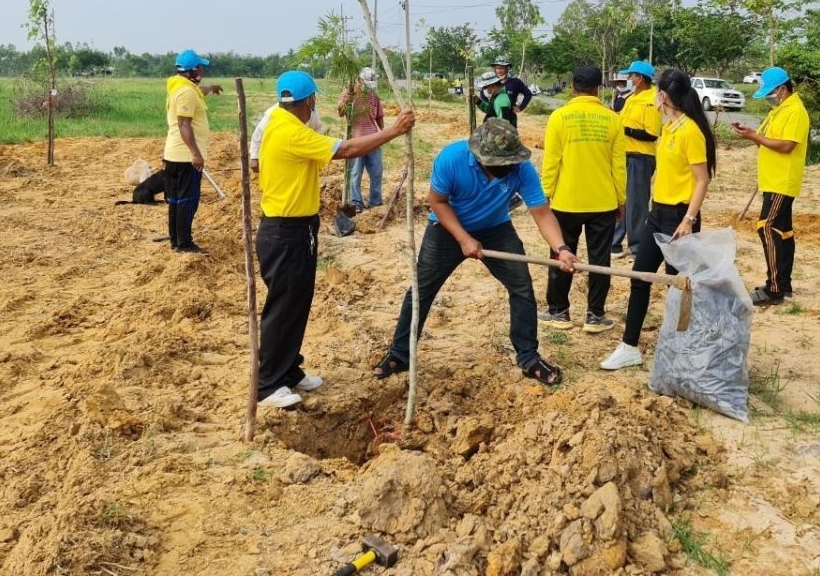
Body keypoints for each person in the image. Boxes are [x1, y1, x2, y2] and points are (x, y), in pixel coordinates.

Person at [373, 119, 575, 386]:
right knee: (422, 289)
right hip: (447, 228)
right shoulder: (452, 159)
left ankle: (528, 357)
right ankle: (400, 354)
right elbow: (437, 201)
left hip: (496, 228)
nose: (507, 167)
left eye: (510, 162)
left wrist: (561, 249)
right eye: (500, 163)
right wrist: (463, 238)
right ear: (481, 157)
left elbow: (541, 213)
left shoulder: (521, 168)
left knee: (522, 289)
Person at [255, 70, 415, 409]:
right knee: (283, 307)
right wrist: (394, 130)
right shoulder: (290, 131)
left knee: (296, 303)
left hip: (296, 228)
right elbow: (347, 149)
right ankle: (268, 384)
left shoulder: (281, 123)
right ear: (310, 100)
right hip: (285, 231)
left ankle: (288, 370)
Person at [601, 69, 718, 370]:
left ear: (662, 96)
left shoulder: (690, 131)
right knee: (640, 276)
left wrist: (689, 220)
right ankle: (629, 346)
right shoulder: (670, 127)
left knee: (676, 287)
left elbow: (702, 180)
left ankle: (681, 349)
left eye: (657, 92)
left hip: (679, 217)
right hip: (658, 213)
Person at [539, 66, 626, 333]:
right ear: (599, 88)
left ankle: (559, 312)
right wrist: (621, 199)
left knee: (561, 253)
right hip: (603, 202)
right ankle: (595, 315)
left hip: (566, 202)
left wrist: (545, 194)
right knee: (600, 259)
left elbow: (551, 161)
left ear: (572, 88)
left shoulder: (559, 117)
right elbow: (618, 166)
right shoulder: (613, 119)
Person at [730, 66, 810, 306]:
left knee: (766, 227)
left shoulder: (795, 111)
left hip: (781, 181)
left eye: (770, 93)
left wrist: (755, 136)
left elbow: (787, 146)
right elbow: (766, 141)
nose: (769, 97)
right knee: (783, 232)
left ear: (782, 89)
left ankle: (774, 289)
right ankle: (783, 283)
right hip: (772, 179)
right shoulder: (779, 111)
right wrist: (752, 134)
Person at [163, 49, 222, 254]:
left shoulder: (180, 86)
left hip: (173, 155)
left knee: (176, 200)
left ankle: (176, 240)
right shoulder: (186, 92)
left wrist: (211, 88)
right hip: (185, 157)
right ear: (193, 70)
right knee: (188, 201)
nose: (202, 71)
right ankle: (185, 243)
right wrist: (196, 154)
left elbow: (198, 92)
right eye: (200, 68)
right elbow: (184, 124)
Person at [610, 60, 661, 259]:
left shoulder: (652, 99)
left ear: (640, 78)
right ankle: (615, 243)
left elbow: (652, 134)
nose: (628, 79)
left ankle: (637, 247)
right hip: (625, 155)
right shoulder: (632, 97)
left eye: (631, 76)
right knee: (621, 200)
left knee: (637, 205)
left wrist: (625, 130)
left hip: (641, 157)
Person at [338, 67, 386, 209]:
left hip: (373, 140)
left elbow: (379, 116)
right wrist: (347, 100)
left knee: (377, 172)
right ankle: (356, 203)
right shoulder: (349, 94)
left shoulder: (374, 96)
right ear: (359, 80)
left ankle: (375, 202)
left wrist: (383, 133)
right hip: (355, 140)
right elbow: (340, 112)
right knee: (355, 173)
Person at [249, 104, 324, 172]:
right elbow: (258, 134)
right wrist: (255, 157)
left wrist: (311, 149)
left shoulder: (311, 112)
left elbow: (318, 129)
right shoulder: (274, 113)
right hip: (278, 156)